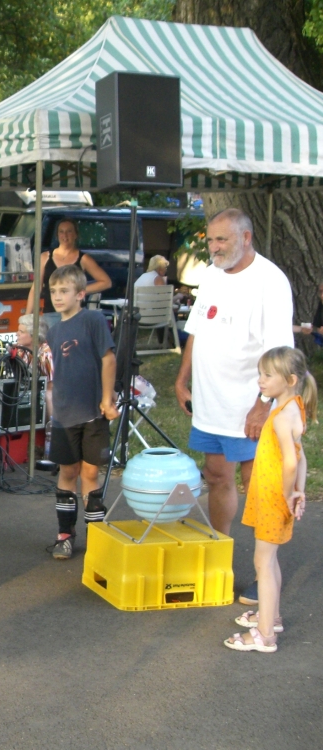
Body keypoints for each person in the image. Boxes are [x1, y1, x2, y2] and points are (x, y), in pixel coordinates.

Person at [175, 208, 294, 606]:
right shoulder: (211, 274)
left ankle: (264, 573)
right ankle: (220, 562)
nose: (214, 247)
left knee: (258, 485)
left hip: (250, 404)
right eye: (210, 240)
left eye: (221, 239)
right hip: (211, 402)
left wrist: (262, 405)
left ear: (246, 237)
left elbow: (279, 354)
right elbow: (196, 328)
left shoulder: (270, 281)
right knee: (216, 476)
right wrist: (182, 377)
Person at [224, 347, 316, 653]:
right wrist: (299, 490)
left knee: (262, 562)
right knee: (269, 559)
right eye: (260, 374)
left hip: (273, 497)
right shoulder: (293, 407)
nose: (260, 380)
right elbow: (300, 456)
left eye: (267, 375)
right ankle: (270, 616)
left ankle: (264, 635)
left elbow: (290, 461)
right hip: (276, 495)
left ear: (290, 380)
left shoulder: (281, 417)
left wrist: (289, 493)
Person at [44, 265, 118, 560]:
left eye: (64, 291)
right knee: (68, 472)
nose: (57, 296)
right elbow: (54, 375)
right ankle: (65, 535)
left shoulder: (93, 319)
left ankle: (96, 537)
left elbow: (108, 359)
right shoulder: (53, 331)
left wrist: (107, 399)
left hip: (93, 412)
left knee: (90, 473)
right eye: (53, 291)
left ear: (81, 294)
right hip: (64, 414)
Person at [26, 219, 112, 329]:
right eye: (61, 232)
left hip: (75, 314)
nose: (65, 235)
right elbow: (35, 288)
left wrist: (79, 291)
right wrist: (27, 317)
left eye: (69, 231)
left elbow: (106, 282)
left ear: (76, 234)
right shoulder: (44, 257)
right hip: (51, 313)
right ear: (57, 235)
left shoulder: (84, 259)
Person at [16, 313, 54, 417]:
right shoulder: (21, 350)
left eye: (21, 332)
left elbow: (50, 390)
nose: (16, 334)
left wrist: (51, 422)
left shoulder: (46, 355)